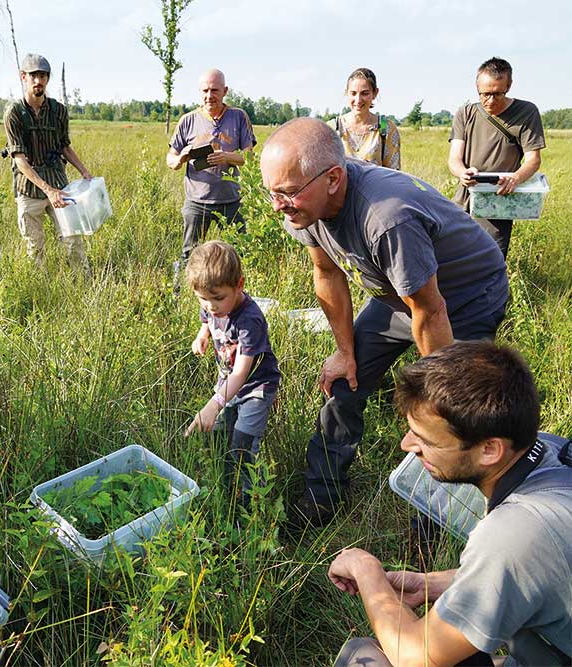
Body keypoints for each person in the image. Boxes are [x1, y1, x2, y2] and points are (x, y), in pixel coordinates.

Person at [259, 118, 508, 526]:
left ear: (334, 179)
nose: (277, 206)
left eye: (286, 193)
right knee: (343, 382)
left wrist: (433, 394)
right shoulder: (304, 206)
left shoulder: (386, 217)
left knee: (451, 413)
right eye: (272, 192)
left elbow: (430, 309)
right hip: (399, 293)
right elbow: (327, 273)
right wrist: (344, 352)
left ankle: (432, 524)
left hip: (465, 295)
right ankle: (322, 500)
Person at [329, 342, 572, 667]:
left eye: (425, 439)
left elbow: (414, 656)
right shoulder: (551, 454)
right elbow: (540, 568)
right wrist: (433, 583)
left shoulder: (516, 531)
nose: (406, 445)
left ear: (490, 450)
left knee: (361, 656)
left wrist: (364, 569)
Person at [184, 241, 281, 507]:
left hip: (255, 388)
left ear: (239, 284)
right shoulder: (212, 303)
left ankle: (253, 504)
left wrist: (214, 404)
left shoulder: (249, 319)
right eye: (203, 298)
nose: (211, 306)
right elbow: (207, 317)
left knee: (243, 445)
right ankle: (227, 487)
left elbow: (241, 372)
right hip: (227, 383)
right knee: (220, 437)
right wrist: (202, 334)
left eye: (217, 298)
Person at [4, 53, 93, 275]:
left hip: (59, 185)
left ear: (47, 79)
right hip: (29, 189)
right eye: (33, 76)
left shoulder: (58, 111)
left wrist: (83, 171)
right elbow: (19, 160)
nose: (38, 81)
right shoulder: (14, 112)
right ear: (23, 77)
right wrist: (48, 190)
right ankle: (39, 291)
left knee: (73, 239)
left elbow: (64, 146)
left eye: (42, 76)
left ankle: (83, 284)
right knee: (35, 248)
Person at [448, 57, 545, 258]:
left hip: (497, 202)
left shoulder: (526, 112)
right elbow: (454, 158)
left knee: (491, 262)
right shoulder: (465, 113)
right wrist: (463, 172)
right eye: (484, 94)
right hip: (463, 199)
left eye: (497, 94)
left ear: (508, 86)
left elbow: (533, 159)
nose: (490, 101)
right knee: (454, 261)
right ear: (477, 88)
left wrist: (515, 178)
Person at [167, 69, 256, 263]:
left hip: (231, 201)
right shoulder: (187, 120)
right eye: (205, 91)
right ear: (200, 92)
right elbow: (171, 159)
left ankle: (239, 291)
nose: (209, 96)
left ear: (225, 91)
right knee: (190, 255)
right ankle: (182, 292)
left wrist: (227, 157)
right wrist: (181, 158)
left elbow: (249, 158)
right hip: (197, 202)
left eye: (214, 90)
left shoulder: (239, 117)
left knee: (241, 254)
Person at [328, 67, 401, 169]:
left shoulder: (386, 128)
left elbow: (393, 174)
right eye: (353, 93)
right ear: (346, 93)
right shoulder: (333, 128)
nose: (358, 100)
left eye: (364, 93)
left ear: (375, 93)